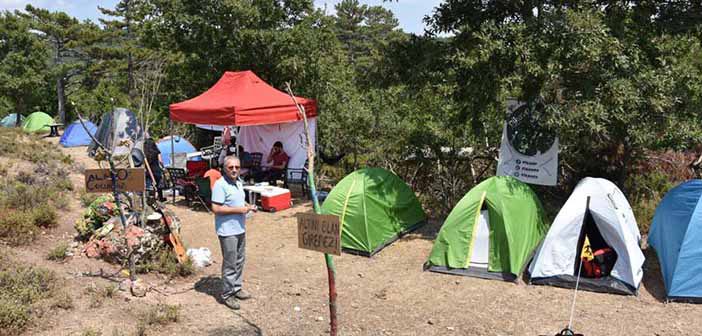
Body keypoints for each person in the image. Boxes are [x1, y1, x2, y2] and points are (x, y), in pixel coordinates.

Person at [211, 155, 258, 310]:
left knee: (239, 260)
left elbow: (238, 201)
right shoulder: (220, 185)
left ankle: (236, 288)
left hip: (239, 228)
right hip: (227, 231)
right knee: (230, 262)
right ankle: (227, 294)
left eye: (237, 167)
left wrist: (248, 206)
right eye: (231, 167)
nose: (234, 170)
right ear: (225, 168)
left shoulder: (238, 182)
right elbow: (216, 208)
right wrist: (240, 209)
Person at [143, 135, 164, 201]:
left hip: (148, 171)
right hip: (156, 170)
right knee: (159, 185)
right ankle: (160, 198)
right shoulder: (157, 151)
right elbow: (160, 161)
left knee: (149, 186)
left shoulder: (144, 153)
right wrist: (163, 167)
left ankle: (150, 199)